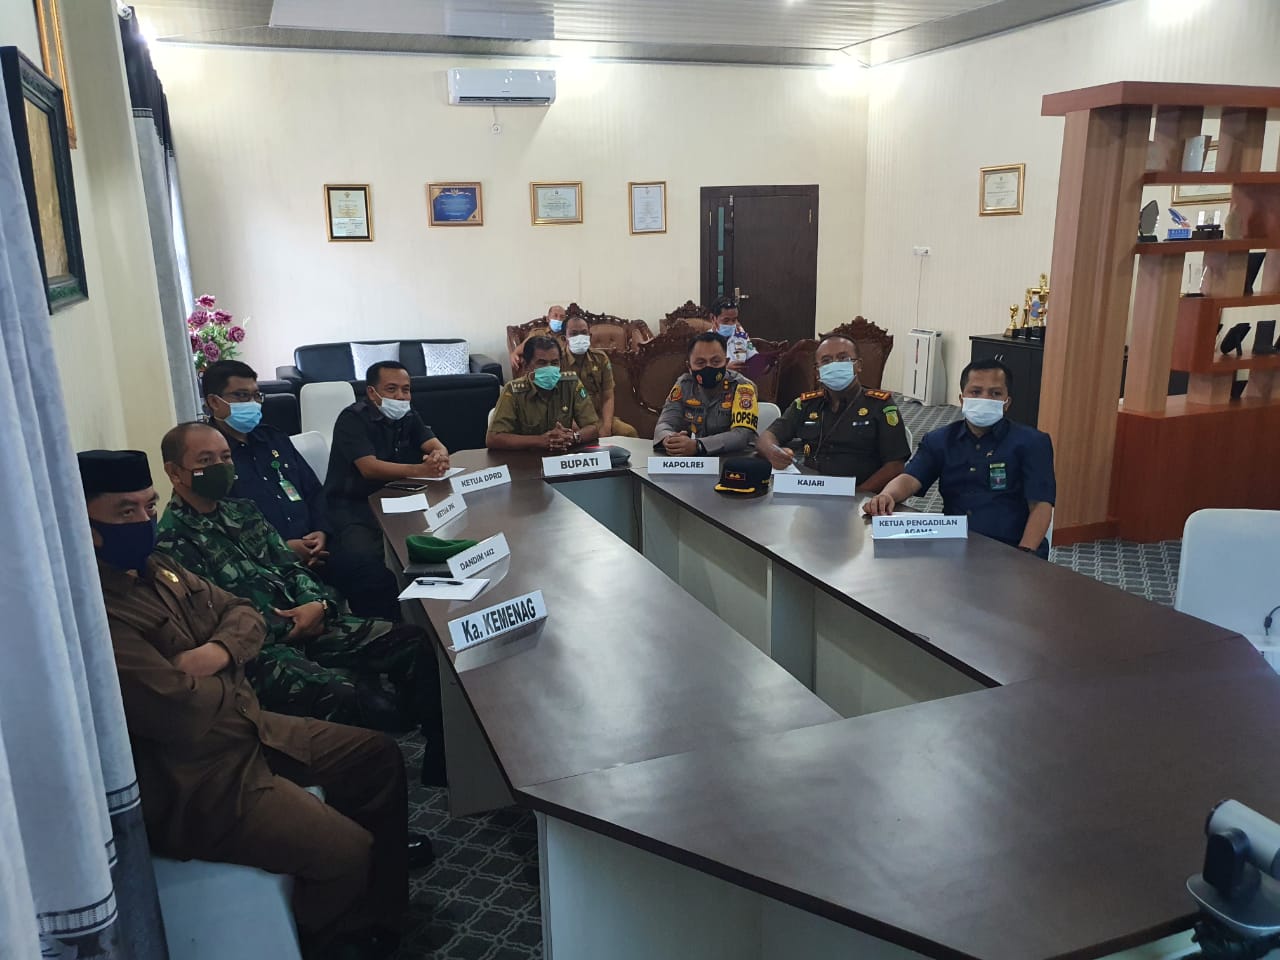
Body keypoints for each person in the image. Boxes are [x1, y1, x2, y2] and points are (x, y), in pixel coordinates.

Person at [79, 448, 428, 960]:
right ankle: (329, 939)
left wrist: (217, 652)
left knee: (375, 758)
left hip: (251, 726)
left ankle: (380, 917)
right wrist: (234, 666)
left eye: (148, 506)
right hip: (198, 779)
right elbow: (180, 712)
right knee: (346, 852)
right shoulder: (95, 609)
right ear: (84, 525)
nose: (144, 520)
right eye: (125, 512)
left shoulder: (158, 566)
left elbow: (242, 611)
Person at [156, 420, 438, 732]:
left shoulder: (244, 512)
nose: (221, 467)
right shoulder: (171, 542)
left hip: (312, 622)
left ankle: (439, 765)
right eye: (206, 461)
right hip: (260, 650)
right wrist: (291, 624)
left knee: (412, 642)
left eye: (225, 457)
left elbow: (290, 566)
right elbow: (213, 617)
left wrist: (319, 605)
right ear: (174, 472)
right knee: (357, 701)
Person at [201, 359, 400, 621]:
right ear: (215, 402)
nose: (252, 403)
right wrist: (283, 549)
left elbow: (314, 491)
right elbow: (217, 526)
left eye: (256, 395)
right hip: (263, 562)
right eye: (241, 396)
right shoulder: (211, 458)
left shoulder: (274, 439)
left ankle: (386, 645)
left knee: (374, 575)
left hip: (317, 548)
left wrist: (321, 532)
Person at [863, 358, 1056, 557]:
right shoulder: (940, 439)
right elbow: (911, 479)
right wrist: (887, 495)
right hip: (955, 543)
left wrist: (1024, 554)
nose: (985, 398)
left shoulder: (1032, 442)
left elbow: (1041, 505)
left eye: (995, 393)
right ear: (962, 399)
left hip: (1011, 547)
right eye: (976, 392)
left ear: (1007, 403)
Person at [323, 361, 450, 613]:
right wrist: (420, 470)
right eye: (392, 389)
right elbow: (369, 467)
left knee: (435, 543)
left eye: (406, 389)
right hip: (352, 505)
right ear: (372, 392)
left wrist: (439, 456)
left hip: (396, 499)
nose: (401, 397)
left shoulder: (408, 414)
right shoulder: (352, 419)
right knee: (367, 566)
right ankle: (383, 627)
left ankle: (432, 611)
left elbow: (436, 445)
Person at [757, 334, 909, 492]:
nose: (835, 365)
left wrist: (858, 495)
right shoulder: (806, 404)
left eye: (843, 358)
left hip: (860, 495)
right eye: (826, 361)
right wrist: (772, 452)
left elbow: (895, 465)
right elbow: (767, 437)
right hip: (811, 492)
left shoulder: (880, 405)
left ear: (858, 365)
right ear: (817, 371)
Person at [487, 335, 600, 451]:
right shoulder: (513, 391)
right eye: (542, 363)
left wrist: (573, 437)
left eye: (554, 363)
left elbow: (594, 427)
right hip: (525, 460)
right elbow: (493, 438)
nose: (549, 368)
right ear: (526, 366)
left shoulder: (571, 384)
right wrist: (540, 441)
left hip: (561, 456)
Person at [653, 331, 759, 456]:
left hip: (736, 461)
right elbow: (665, 423)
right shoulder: (685, 385)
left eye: (715, 362)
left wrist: (698, 445)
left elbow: (742, 435)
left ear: (726, 362)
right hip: (699, 462)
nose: (708, 367)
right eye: (700, 363)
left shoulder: (743, 387)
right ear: (689, 366)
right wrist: (669, 439)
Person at [560, 313, 638, 438]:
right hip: (569, 421)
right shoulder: (557, 361)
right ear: (564, 339)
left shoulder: (600, 358)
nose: (580, 337)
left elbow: (608, 396)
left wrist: (606, 427)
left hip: (598, 418)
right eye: (574, 334)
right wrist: (582, 431)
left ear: (590, 336)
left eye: (584, 333)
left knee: (628, 432)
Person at [510, 303, 566, 374]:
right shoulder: (538, 333)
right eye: (555, 316)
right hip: (542, 371)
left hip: (563, 371)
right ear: (547, 319)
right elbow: (520, 350)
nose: (558, 319)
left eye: (562, 317)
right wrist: (514, 354)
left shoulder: (568, 334)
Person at [708, 296, 757, 370]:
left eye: (734, 320)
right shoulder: (705, 341)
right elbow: (703, 372)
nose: (731, 324)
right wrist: (725, 370)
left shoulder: (741, 336)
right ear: (713, 318)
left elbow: (754, 356)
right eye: (726, 320)